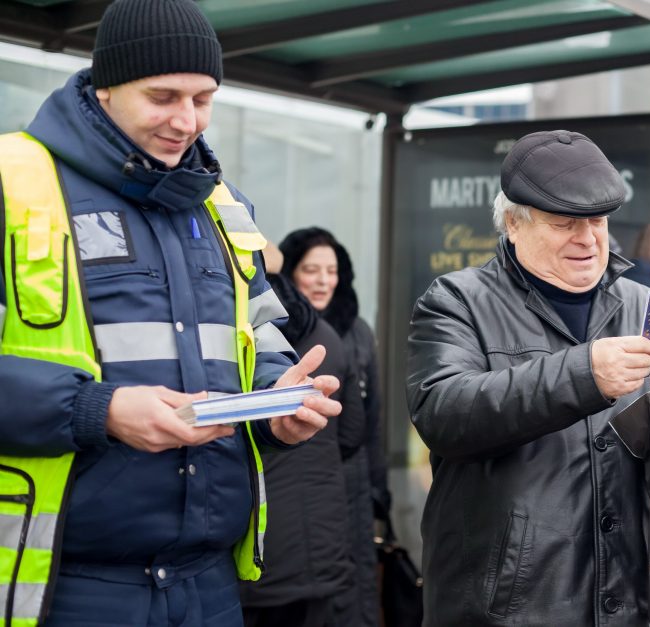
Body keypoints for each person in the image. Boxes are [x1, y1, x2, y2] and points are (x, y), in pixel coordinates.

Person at [0, 1, 342, 625]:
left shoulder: (223, 205)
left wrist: (275, 404)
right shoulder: (12, 182)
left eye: (203, 99)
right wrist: (97, 411)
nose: (187, 121)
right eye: (163, 96)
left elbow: (260, 341)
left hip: (208, 586)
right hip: (63, 587)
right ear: (105, 88)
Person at [406, 130, 650, 625]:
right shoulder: (455, 301)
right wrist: (584, 374)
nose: (588, 239)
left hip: (630, 601)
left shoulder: (648, 305)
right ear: (513, 224)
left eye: (597, 221)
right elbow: (443, 414)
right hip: (511, 608)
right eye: (565, 223)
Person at [239, 246, 366, 627]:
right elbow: (353, 433)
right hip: (320, 540)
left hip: (253, 541)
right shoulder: (327, 334)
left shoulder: (235, 335)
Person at [278, 227, 389, 626]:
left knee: (356, 583)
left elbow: (371, 416)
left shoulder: (357, 329)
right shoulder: (275, 332)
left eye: (332, 269)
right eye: (312, 270)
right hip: (300, 473)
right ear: (290, 273)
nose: (324, 280)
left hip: (354, 477)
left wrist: (379, 489)